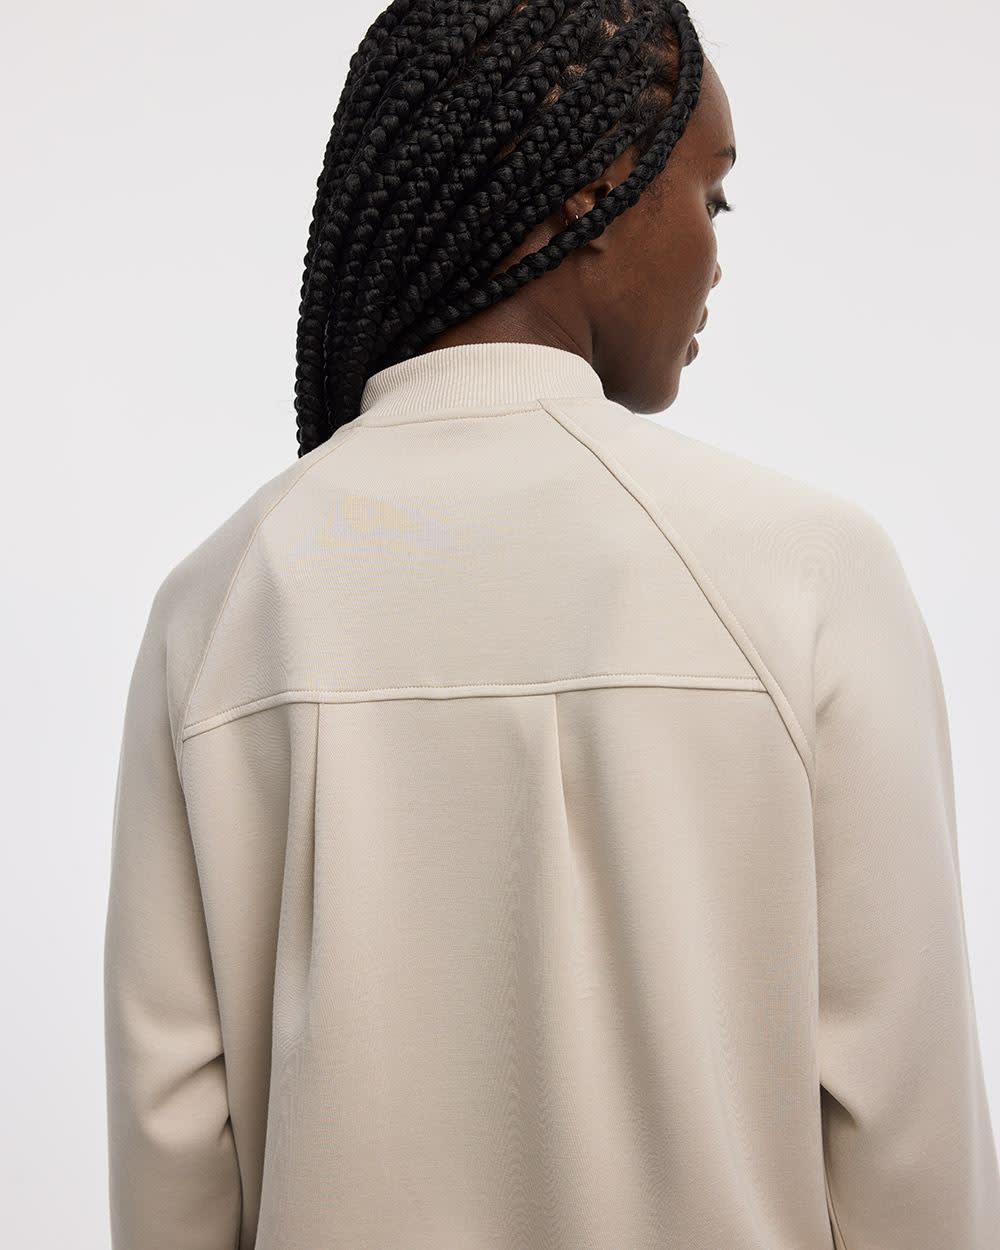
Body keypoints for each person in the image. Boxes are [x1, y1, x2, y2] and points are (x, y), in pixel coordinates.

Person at [103, 3, 1000, 1248]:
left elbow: (172, 1172)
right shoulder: (808, 577)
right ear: (592, 191)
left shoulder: (218, 609)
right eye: (711, 196)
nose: (717, 254)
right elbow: (912, 1158)